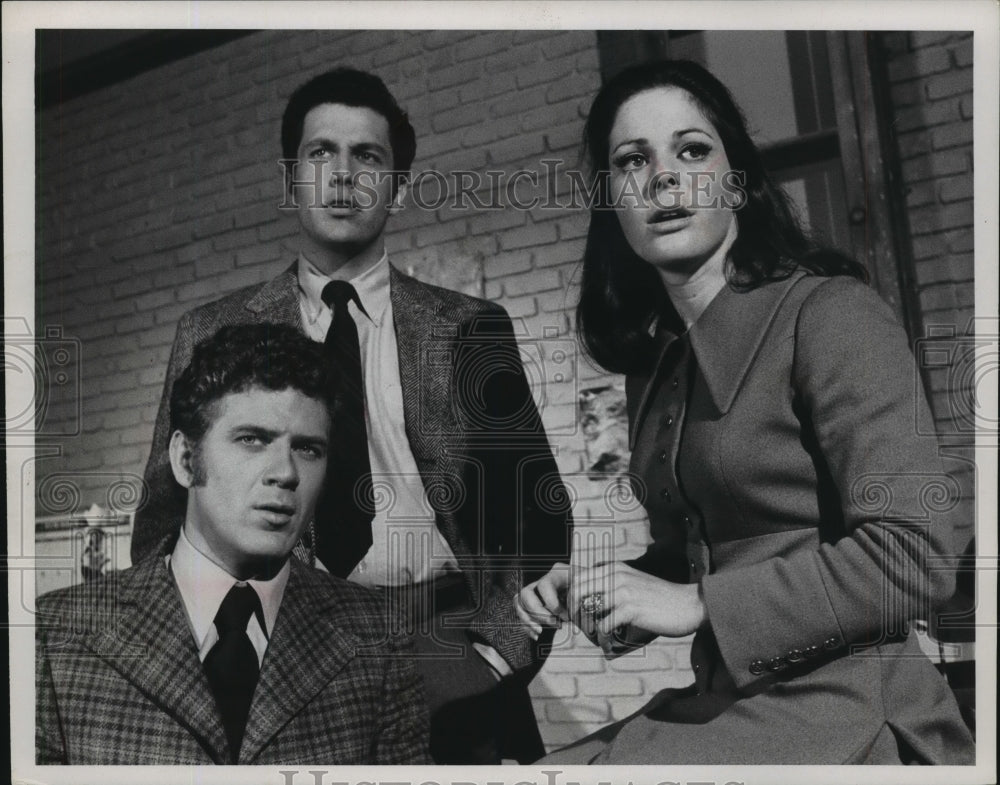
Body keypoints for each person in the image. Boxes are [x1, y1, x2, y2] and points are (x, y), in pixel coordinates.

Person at [517, 59, 975, 764]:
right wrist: (611, 591)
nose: (663, 177)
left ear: (739, 182)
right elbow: (698, 554)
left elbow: (916, 556)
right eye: (632, 160)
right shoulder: (664, 365)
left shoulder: (830, 315)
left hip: (850, 711)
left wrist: (697, 605)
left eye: (692, 150)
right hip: (729, 702)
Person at [131, 67, 571, 764]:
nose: (342, 175)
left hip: (446, 642)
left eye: (367, 156)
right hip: (281, 651)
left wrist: (492, 654)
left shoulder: (469, 329)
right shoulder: (210, 333)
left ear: (396, 183)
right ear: (290, 179)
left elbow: (538, 518)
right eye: (320, 153)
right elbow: (161, 524)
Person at [36, 325, 430, 764]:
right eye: (252, 440)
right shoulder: (56, 636)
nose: (286, 472)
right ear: (186, 460)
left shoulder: (378, 635)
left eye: (308, 449)